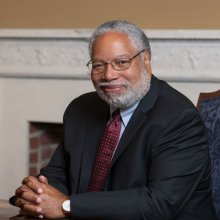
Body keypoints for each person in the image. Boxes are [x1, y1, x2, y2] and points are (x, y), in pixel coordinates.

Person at [10, 20, 217, 220]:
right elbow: (58, 174)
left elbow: (158, 203)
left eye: (121, 62)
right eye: (99, 64)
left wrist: (67, 206)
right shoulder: (80, 109)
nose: (108, 75)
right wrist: (38, 194)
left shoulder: (179, 118)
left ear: (145, 60)